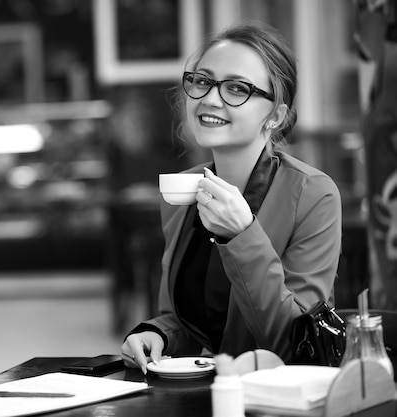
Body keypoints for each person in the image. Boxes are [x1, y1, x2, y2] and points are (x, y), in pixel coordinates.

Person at [121, 22, 342, 374]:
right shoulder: (184, 190)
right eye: (202, 81)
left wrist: (242, 235)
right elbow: (188, 321)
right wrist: (157, 334)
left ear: (275, 115)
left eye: (237, 88)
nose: (209, 98)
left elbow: (295, 341)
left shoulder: (313, 193)